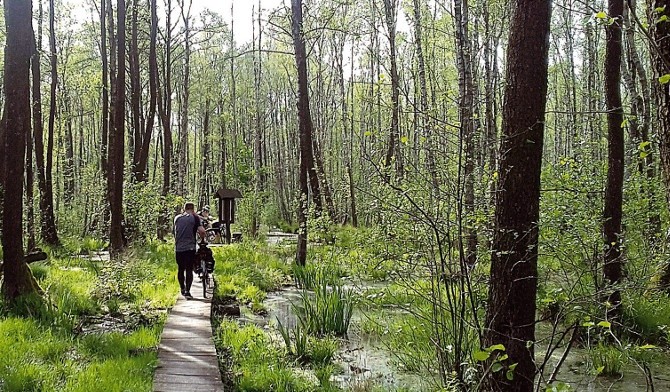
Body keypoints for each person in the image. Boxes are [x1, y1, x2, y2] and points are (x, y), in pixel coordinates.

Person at [173, 202, 206, 299]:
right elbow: (202, 231)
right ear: (193, 209)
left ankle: (182, 289)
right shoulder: (195, 217)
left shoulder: (177, 218)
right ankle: (187, 291)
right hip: (189, 248)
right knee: (188, 269)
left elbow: (175, 232)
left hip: (178, 248)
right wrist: (202, 238)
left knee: (180, 269)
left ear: (184, 208)